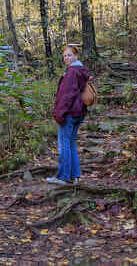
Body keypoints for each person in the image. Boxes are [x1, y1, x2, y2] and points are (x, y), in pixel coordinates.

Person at [47, 45, 90, 185]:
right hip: (79, 112)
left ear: (76, 56)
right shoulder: (80, 71)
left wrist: (59, 114)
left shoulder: (72, 72)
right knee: (71, 143)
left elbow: (67, 96)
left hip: (70, 113)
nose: (67, 58)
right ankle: (75, 176)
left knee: (64, 144)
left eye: (70, 55)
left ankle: (63, 177)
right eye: (65, 55)